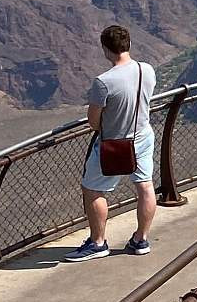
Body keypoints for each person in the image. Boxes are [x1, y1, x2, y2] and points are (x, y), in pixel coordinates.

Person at [65, 25, 159, 262]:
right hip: (144, 137)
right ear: (128, 45)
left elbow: (94, 122)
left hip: (115, 145)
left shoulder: (104, 82)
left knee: (93, 189)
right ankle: (141, 239)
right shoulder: (146, 69)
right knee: (145, 186)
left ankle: (98, 243)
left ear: (106, 49)